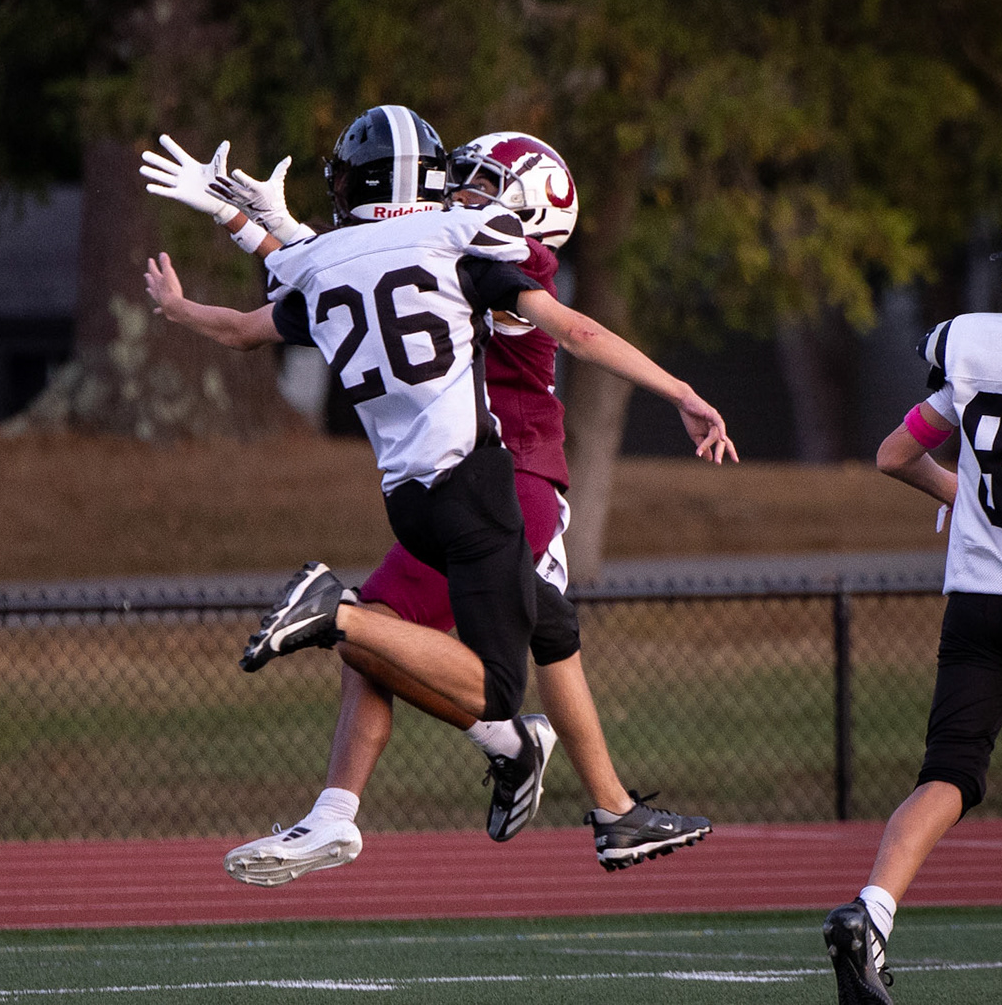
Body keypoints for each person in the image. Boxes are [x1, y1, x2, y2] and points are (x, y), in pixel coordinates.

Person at [140, 105, 732, 879]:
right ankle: (513, 779)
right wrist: (252, 221)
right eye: (459, 176)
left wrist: (243, 227)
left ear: (532, 210)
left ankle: (587, 798)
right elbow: (367, 261)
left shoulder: (506, 255)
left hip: (508, 476)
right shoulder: (450, 242)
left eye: (484, 182)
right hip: (477, 477)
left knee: (522, 630)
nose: (460, 190)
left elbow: (334, 272)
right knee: (424, 636)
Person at [822, 173, 1002, 1005]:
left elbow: (894, 454)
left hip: (983, 606)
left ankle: (873, 911)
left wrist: (966, 496)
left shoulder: (973, 346)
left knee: (950, 773)